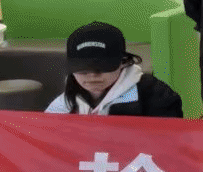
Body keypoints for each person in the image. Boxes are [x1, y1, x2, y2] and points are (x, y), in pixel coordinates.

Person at [46, 21, 184, 117]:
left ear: (123, 62)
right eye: (83, 69)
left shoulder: (155, 96)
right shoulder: (66, 101)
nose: (92, 76)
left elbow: (170, 141)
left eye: (102, 67)